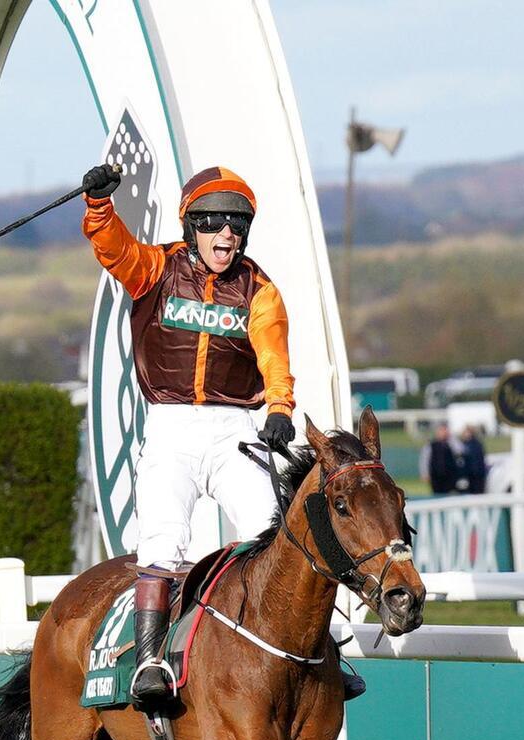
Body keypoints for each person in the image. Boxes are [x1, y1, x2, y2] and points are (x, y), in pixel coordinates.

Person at [80, 161, 362, 705]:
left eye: (237, 224)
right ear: (192, 226)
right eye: (213, 222)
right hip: (171, 427)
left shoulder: (260, 290)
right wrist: (98, 205)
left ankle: (328, 651)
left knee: (280, 536)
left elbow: (273, 354)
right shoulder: (155, 269)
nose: (226, 234)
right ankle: (150, 662)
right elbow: (113, 248)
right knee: (162, 540)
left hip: (234, 429)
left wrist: (279, 406)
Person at [424, 424, 460, 495]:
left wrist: (451, 438)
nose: (443, 433)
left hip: (450, 475)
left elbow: (460, 450)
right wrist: (425, 473)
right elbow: (425, 460)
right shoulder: (431, 445)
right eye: (441, 431)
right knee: (437, 494)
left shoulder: (450, 443)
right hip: (436, 475)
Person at [459, 425, 488, 494]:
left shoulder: (476, 444)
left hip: (476, 474)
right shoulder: (463, 444)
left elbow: (480, 459)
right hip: (469, 474)